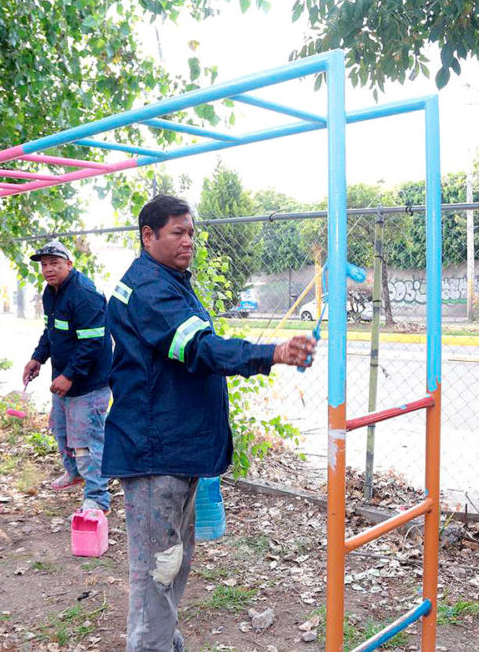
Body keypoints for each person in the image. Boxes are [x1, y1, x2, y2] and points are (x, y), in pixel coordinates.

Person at [104, 195, 316, 651]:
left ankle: (163, 641)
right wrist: (271, 353)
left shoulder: (168, 281)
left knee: (172, 563)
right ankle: (152, 645)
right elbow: (200, 349)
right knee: (157, 570)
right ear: (149, 235)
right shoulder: (149, 289)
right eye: (177, 232)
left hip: (171, 449)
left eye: (191, 232)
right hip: (153, 452)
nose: (188, 241)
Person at [22, 240, 112, 513]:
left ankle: (98, 497)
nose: (48, 269)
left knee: (86, 442)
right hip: (65, 381)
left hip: (89, 384)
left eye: (55, 264)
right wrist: (38, 357)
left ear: (69, 264)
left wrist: (70, 375)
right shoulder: (51, 292)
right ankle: (74, 474)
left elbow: (92, 343)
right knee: (61, 431)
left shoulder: (84, 294)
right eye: (44, 265)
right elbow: (52, 331)